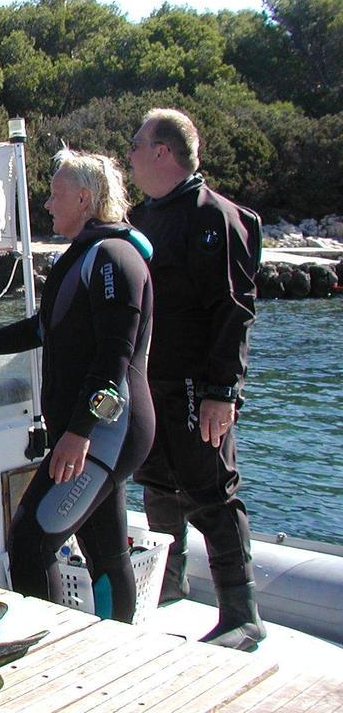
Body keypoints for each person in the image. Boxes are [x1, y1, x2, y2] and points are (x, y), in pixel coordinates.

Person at [0, 148, 154, 623]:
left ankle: (50, 644)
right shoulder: (88, 256)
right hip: (95, 432)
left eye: (55, 196)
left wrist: (79, 432)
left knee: (29, 542)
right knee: (106, 550)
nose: (48, 205)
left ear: (85, 197)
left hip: (104, 433)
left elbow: (115, 357)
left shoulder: (114, 257)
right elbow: (44, 328)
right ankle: (121, 640)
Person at [127, 108, 265, 650]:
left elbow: (234, 310)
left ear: (163, 151)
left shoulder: (215, 217)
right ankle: (168, 585)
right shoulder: (144, 217)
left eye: (137, 144)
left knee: (210, 489)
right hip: (150, 382)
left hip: (195, 386)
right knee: (158, 483)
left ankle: (242, 615)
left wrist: (221, 392)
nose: (131, 153)